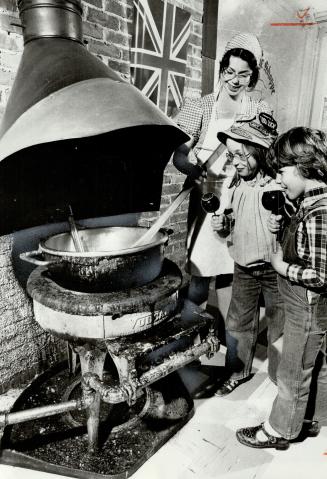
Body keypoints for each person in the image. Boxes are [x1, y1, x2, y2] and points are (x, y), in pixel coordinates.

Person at [236, 127, 327, 450]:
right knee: (313, 365)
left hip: (308, 307)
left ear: (307, 166)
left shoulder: (320, 212)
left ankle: (280, 430)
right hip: (309, 308)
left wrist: (280, 267)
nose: (279, 180)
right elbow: (307, 244)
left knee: (293, 371)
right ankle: (308, 419)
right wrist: (285, 223)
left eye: (283, 172)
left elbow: (321, 275)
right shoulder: (311, 201)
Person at [173, 32, 272, 320]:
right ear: (222, 70)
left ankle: (232, 349)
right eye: (230, 72)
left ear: (252, 77)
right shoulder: (201, 106)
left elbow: (265, 157)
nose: (235, 80)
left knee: (232, 272)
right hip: (208, 196)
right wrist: (196, 172)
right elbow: (179, 155)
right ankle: (191, 342)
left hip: (241, 198)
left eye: (244, 74)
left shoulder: (258, 110)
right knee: (201, 273)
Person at [211, 113, 285, 396]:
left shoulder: (279, 184)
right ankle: (236, 371)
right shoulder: (235, 182)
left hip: (274, 266)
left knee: (280, 323)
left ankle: (281, 378)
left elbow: (291, 224)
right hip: (243, 265)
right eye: (232, 156)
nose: (237, 162)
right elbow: (231, 220)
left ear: (261, 152)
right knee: (237, 322)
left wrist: (281, 224)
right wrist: (222, 224)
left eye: (243, 155)